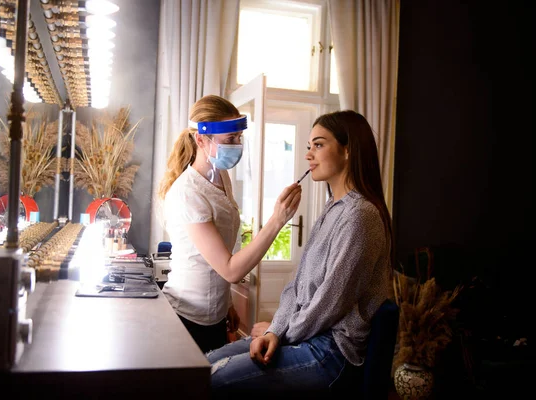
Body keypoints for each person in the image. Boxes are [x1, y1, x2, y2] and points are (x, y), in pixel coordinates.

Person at [207, 110, 395, 397]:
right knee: (203, 366)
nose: (309, 155)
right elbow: (297, 286)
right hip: (308, 338)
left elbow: (329, 303)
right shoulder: (333, 209)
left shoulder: (360, 215)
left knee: (214, 380)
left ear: (348, 150)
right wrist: (275, 331)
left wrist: (280, 335)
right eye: (309, 146)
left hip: (332, 352)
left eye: (318, 145)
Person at [157, 94, 302, 353]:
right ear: (201, 139)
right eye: (229, 140)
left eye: (238, 138)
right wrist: (277, 220)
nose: (236, 145)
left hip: (215, 317)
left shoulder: (221, 176)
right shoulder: (188, 192)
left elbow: (219, 250)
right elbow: (230, 270)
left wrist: (227, 305)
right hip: (187, 319)